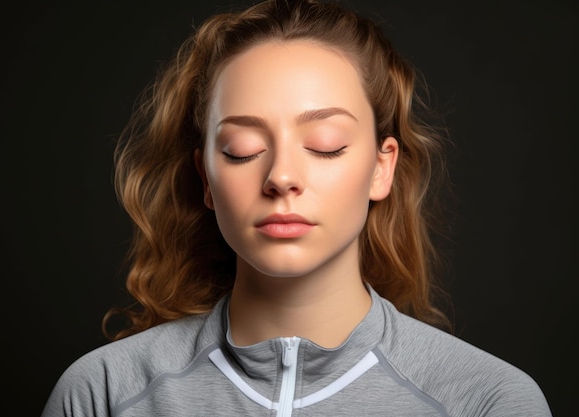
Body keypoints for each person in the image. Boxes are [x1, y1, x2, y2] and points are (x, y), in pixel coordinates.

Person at [41, 0, 552, 415]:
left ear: (381, 167)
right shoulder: (102, 393)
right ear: (207, 179)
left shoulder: (489, 401)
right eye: (242, 149)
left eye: (325, 143)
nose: (281, 177)